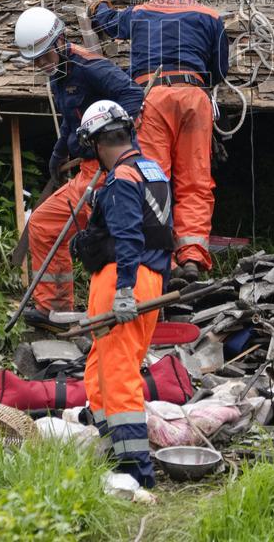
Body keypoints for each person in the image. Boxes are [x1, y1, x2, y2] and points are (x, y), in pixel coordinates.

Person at [90, 0, 229, 282]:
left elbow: (109, 24)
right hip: (194, 97)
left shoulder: (140, 12)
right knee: (196, 179)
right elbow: (220, 71)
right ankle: (193, 254)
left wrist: (98, 8)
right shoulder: (211, 16)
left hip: (152, 96)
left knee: (154, 180)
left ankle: (162, 261)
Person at [14, 5, 145, 323]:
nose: (43, 65)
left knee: (106, 238)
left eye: (45, 57)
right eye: (36, 61)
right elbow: (70, 123)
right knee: (44, 223)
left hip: (108, 170)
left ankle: (123, 302)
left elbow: (133, 94)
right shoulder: (58, 76)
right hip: (85, 170)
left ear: (59, 42)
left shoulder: (89, 66)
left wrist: (108, 141)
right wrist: (58, 156)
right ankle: (55, 308)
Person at [72, 100, 173, 488]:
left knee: (117, 374)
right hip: (150, 277)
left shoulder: (120, 179)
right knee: (100, 368)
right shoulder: (154, 172)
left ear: (96, 143)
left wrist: (125, 291)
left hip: (121, 279)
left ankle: (134, 473)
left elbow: (129, 235)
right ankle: (112, 451)